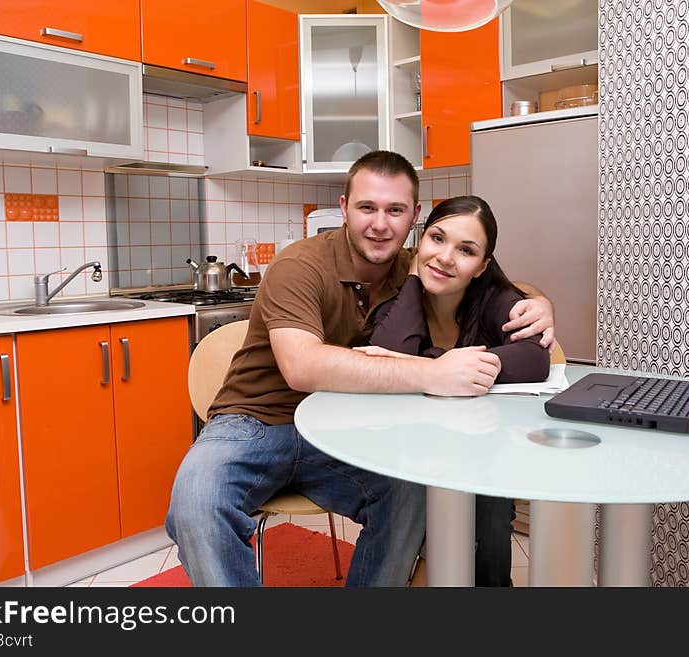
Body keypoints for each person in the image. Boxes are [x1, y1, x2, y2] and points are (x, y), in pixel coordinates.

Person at [165, 151, 556, 586]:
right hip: (256, 421)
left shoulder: (417, 262)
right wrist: (433, 373)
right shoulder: (300, 265)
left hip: (343, 429)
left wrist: (539, 304)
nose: (380, 224)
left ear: (415, 218)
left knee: (409, 492)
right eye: (367, 207)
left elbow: (492, 282)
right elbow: (301, 367)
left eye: (395, 210)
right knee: (196, 500)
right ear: (344, 208)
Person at [358, 195, 550, 586]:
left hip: (482, 449)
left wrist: (469, 368)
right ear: (420, 242)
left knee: (490, 503)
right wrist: (414, 277)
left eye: (465, 250)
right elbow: (387, 354)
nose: (446, 257)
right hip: (408, 448)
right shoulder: (401, 301)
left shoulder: (496, 300)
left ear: (482, 266)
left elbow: (534, 358)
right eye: (437, 239)